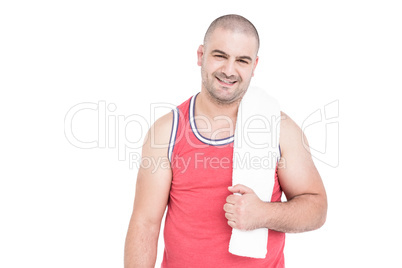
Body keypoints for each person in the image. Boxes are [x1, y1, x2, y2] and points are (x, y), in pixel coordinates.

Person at [124, 14, 327, 268]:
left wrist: (263, 213)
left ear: (254, 66)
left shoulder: (280, 130)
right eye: (220, 56)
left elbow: (316, 207)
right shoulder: (166, 132)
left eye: (242, 60)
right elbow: (145, 223)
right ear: (201, 55)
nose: (229, 71)